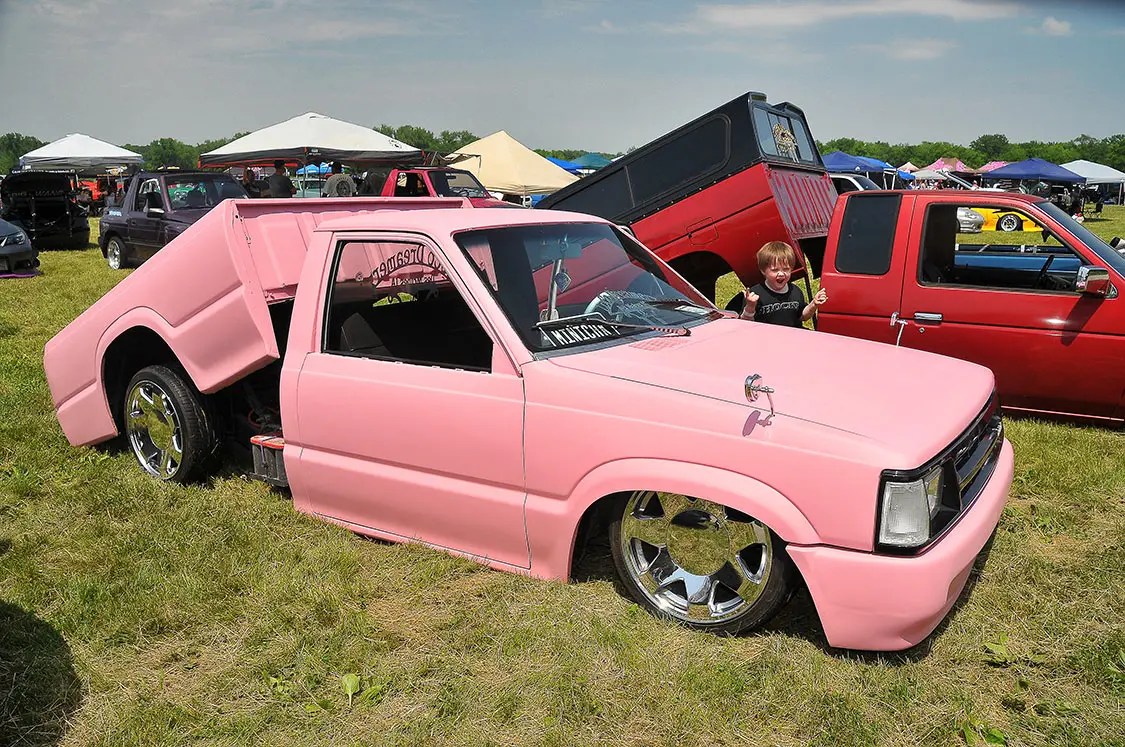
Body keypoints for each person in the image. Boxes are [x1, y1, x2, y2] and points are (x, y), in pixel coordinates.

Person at [739, 241, 827, 327]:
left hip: (792, 337)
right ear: (763, 271)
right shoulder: (755, 294)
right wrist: (750, 306)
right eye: (775, 270)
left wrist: (814, 304)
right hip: (766, 338)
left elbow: (802, 317)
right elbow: (745, 324)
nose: (781, 274)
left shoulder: (795, 291)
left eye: (786, 269)